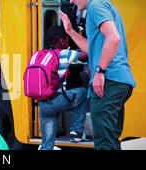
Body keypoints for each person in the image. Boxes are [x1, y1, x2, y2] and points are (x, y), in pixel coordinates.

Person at [59, 0, 136, 150]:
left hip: (109, 81)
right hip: (118, 82)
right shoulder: (103, 5)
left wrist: (99, 71)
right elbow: (91, 47)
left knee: (104, 143)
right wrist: (70, 31)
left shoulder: (95, 5)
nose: (71, 1)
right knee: (111, 141)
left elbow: (113, 38)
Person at [37, 26, 90, 150]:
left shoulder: (41, 55)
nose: (68, 43)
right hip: (58, 101)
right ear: (61, 40)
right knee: (83, 92)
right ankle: (77, 131)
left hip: (43, 104)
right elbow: (87, 53)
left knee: (47, 145)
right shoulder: (65, 53)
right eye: (67, 40)